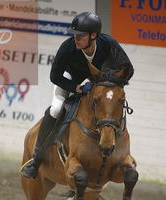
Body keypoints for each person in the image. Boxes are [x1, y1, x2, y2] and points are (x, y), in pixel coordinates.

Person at [20, 11, 134, 178]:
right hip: (70, 79)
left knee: (107, 110)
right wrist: (77, 88)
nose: (76, 39)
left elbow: (128, 69)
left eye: (80, 36)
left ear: (93, 35)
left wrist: (111, 83)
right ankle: (36, 159)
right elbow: (55, 76)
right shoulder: (67, 47)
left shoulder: (108, 43)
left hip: (99, 82)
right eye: (75, 35)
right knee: (56, 109)